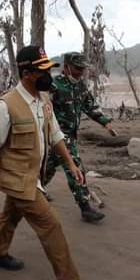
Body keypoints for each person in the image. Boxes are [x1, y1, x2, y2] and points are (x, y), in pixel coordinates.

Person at [0, 45, 97, 280]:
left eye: (48, 68)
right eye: (42, 70)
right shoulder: (5, 106)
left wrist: (72, 164)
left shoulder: (43, 100)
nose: (48, 74)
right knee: (51, 224)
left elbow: (55, 134)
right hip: (18, 179)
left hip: (34, 177)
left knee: (11, 215)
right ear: (27, 73)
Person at [44, 52, 114, 223]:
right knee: (75, 168)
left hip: (70, 135)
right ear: (66, 67)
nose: (80, 72)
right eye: (77, 68)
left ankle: (34, 188)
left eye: (82, 69)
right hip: (58, 135)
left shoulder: (80, 86)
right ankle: (85, 208)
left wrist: (105, 123)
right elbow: (41, 109)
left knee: (50, 165)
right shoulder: (53, 86)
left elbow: (90, 106)